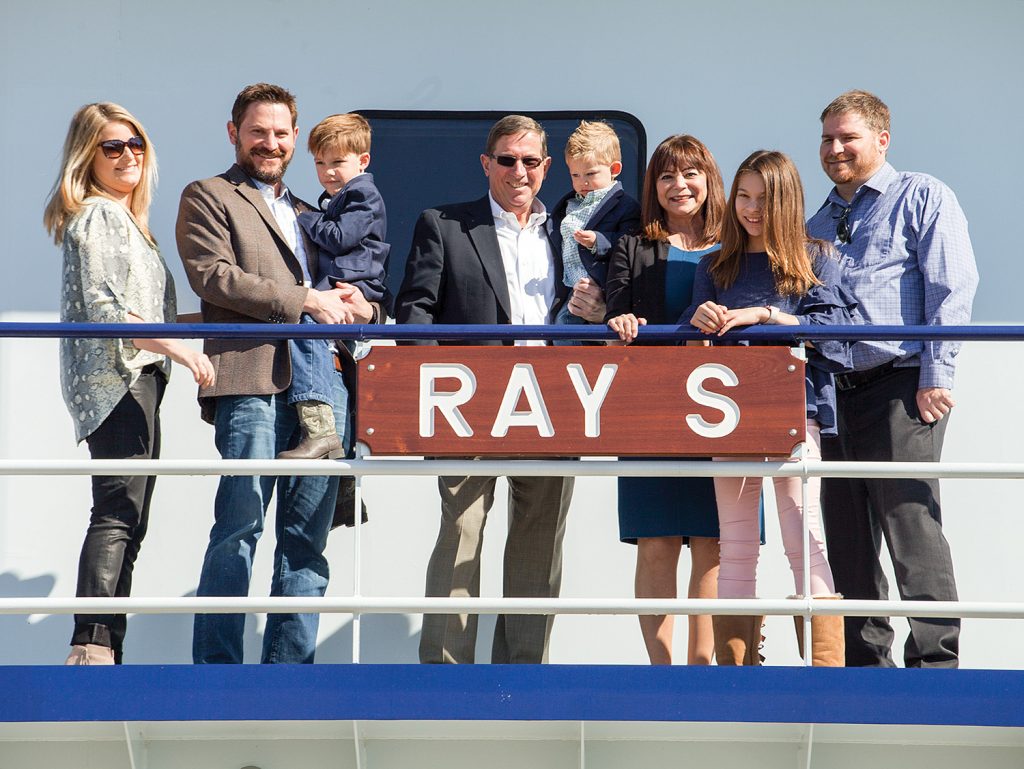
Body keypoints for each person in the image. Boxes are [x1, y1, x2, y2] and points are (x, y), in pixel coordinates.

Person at [176, 83, 380, 664]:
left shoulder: (315, 213)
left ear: (294, 136)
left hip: (326, 391)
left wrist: (368, 308)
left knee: (308, 540)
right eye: (258, 131)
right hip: (252, 381)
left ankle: (289, 674)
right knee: (239, 525)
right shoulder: (209, 195)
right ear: (234, 132)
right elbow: (212, 276)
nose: (270, 142)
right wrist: (305, 301)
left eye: (281, 132)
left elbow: (355, 283)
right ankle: (217, 671)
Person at [396, 115, 587, 664]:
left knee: (539, 541)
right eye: (507, 160)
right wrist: (432, 393)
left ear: (548, 168)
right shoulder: (445, 224)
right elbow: (416, 313)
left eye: (531, 161)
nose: (519, 171)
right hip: (469, 404)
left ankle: (522, 674)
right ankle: (446, 673)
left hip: (554, 401)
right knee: (461, 534)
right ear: (487, 164)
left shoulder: (570, 231)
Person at [807, 90, 979, 668]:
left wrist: (936, 374)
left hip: (903, 385)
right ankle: (864, 664)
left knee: (911, 523)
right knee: (847, 533)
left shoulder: (922, 195)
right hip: (835, 393)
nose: (835, 149)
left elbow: (951, 289)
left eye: (847, 137)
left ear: (882, 138)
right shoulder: (815, 224)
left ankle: (935, 664)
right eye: (827, 138)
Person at [44, 102, 215, 665]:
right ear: (86, 156)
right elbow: (106, 309)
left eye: (135, 144)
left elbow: (148, 313)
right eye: (112, 147)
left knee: (129, 516)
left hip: (137, 376)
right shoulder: (97, 215)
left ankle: (106, 645)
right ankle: (90, 645)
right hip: (117, 379)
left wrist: (225, 320)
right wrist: (182, 353)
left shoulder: (127, 221)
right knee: (118, 511)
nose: (127, 156)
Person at [685, 150, 857, 666]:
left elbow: (838, 340)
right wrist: (699, 322)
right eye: (743, 196)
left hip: (796, 414)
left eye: (764, 198)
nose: (751, 208)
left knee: (805, 537)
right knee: (735, 544)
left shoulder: (816, 258)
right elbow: (690, 354)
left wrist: (766, 315)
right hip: (729, 415)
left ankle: (824, 671)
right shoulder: (715, 266)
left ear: (787, 201)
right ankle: (738, 670)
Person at [605, 135, 724, 665]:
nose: (680, 186)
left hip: (719, 410)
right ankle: (661, 670)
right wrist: (619, 321)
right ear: (653, 187)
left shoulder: (735, 244)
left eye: (691, 174)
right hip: (649, 407)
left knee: (712, 542)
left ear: (708, 180)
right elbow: (615, 312)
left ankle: (703, 668)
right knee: (656, 542)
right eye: (667, 176)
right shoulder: (633, 245)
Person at [277, 112, 390, 461]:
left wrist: (303, 215)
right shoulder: (344, 196)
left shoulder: (363, 194)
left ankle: (320, 429)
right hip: (346, 282)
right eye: (320, 163)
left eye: (338, 162)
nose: (328, 171)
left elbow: (340, 238)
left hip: (355, 284)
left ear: (363, 160)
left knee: (305, 324)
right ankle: (339, 452)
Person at [549, 120, 641, 344]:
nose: (583, 182)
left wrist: (598, 241)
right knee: (561, 322)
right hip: (571, 283)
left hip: (601, 284)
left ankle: (568, 368)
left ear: (614, 170)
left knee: (567, 324)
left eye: (590, 173)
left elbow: (629, 244)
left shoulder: (625, 206)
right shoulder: (570, 205)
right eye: (575, 175)